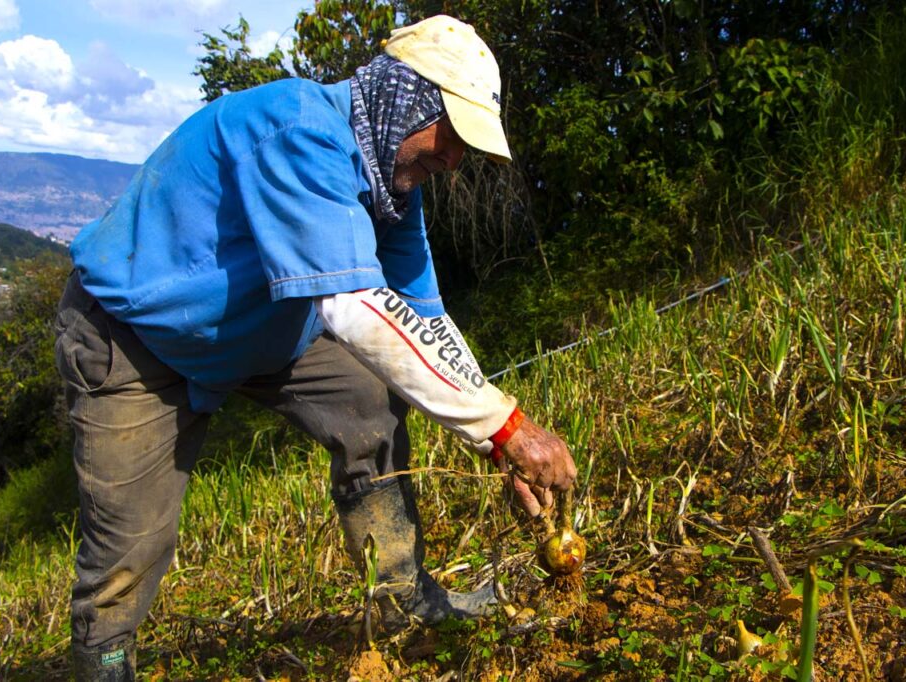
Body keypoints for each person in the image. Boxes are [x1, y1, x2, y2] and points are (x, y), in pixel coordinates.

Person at [54, 14, 577, 681]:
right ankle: (105, 663)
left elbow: (422, 314)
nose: (452, 160)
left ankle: (401, 599)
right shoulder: (297, 128)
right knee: (132, 541)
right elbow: (355, 310)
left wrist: (503, 432)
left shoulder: (389, 183)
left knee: (370, 399)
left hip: (267, 327)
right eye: (449, 135)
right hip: (137, 338)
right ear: (406, 99)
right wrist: (502, 429)